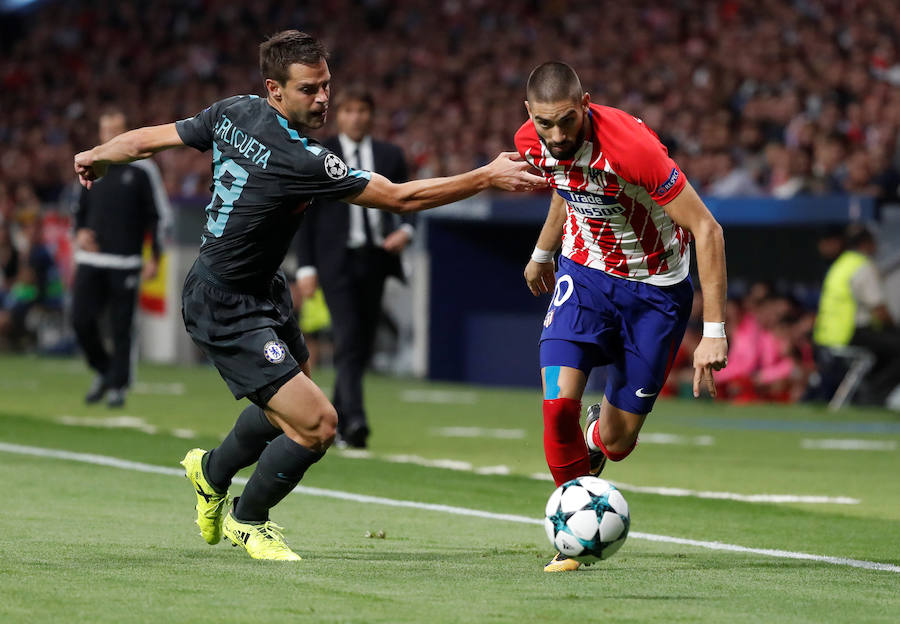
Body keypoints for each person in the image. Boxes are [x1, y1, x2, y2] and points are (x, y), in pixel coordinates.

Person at [73, 30, 545, 562]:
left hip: (261, 289)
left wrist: (98, 154)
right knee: (319, 423)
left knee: (288, 410)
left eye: (326, 85)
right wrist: (485, 175)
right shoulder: (305, 160)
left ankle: (210, 473)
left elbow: (145, 142)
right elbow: (400, 198)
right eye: (308, 90)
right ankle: (248, 520)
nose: (323, 99)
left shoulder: (235, 110)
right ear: (275, 89)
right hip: (223, 301)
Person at [516, 62, 728, 572]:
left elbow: (708, 228)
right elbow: (565, 189)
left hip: (655, 291)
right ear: (529, 114)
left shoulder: (633, 149)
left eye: (567, 120)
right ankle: (573, 533)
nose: (556, 134)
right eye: (545, 123)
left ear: (585, 103)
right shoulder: (531, 140)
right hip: (584, 277)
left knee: (618, 442)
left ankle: (594, 440)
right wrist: (544, 253)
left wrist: (713, 329)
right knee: (555, 405)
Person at [295, 85, 412, 449]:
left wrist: (405, 231)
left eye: (362, 110)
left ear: (371, 116)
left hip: (375, 259)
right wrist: (306, 268)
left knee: (359, 342)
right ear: (338, 115)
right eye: (349, 111)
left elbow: (409, 200)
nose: (356, 117)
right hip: (336, 260)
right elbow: (304, 215)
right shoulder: (319, 152)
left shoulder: (390, 155)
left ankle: (337, 415)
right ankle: (357, 422)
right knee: (347, 336)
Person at [71, 109, 169, 407]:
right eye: (106, 129)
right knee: (80, 321)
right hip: (92, 260)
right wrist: (79, 233)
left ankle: (118, 386)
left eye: (117, 129)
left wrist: (155, 256)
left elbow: (159, 217)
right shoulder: (91, 163)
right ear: (100, 134)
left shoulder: (143, 169)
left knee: (121, 326)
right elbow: (79, 212)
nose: (111, 135)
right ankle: (104, 370)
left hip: (126, 261)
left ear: (126, 131)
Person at [813, 225, 900, 406]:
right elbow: (879, 310)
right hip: (852, 332)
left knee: (887, 349)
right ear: (867, 244)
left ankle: (869, 392)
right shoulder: (862, 265)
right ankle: (874, 396)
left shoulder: (841, 264)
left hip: (829, 334)